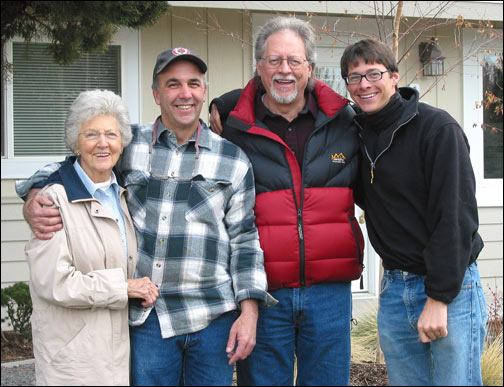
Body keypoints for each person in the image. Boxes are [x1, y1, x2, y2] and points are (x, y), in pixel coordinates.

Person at [16, 48, 276, 386]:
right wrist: (34, 192)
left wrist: (249, 312)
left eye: (193, 84)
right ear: (156, 94)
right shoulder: (128, 145)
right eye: (173, 84)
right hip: (148, 318)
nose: (185, 93)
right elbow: (75, 166)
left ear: (203, 91)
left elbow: (245, 241)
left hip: (212, 316)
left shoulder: (233, 159)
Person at [209, 16, 364, 386]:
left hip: (329, 292)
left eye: (294, 61)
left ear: (309, 68)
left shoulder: (344, 120)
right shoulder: (232, 128)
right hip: (263, 294)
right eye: (274, 60)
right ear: (258, 68)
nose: (284, 70)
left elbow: (393, 124)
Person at [339, 38, 486, 386]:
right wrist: (224, 105)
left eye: (373, 73)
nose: (364, 85)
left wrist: (438, 296)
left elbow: (454, 217)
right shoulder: (358, 133)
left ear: (394, 77)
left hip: (449, 289)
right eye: (354, 78)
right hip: (394, 289)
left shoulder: (437, 129)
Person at [24, 89, 159, 386]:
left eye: (111, 134)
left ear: (122, 143)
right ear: (75, 142)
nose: (102, 144)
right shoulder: (54, 200)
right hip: (72, 360)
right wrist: (124, 287)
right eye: (91, 134)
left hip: (116, 354)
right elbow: (55, 283)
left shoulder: (121, 195)